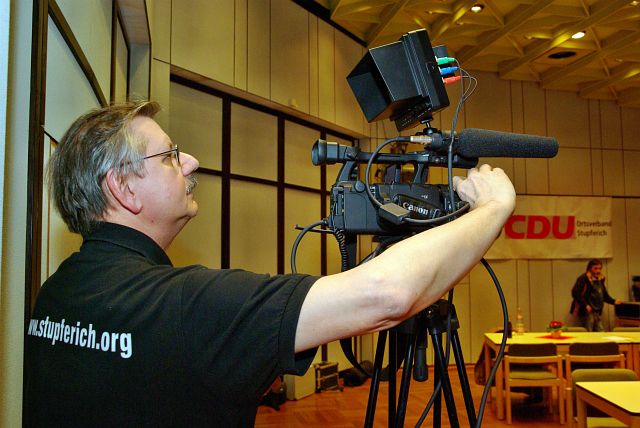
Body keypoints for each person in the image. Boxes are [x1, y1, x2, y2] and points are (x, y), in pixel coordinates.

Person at [24, 101, 516, 426]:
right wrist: (493, 208)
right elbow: (388, 295)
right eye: (170, 156)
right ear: (123, 188)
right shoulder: (182, 307)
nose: (191, 162)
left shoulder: (54, 294)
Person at [570, 259, 622, 331]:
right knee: (589, 331)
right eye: (595, 268)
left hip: (596, 311)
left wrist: (613, 301)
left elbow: (603, 294)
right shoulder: (583, 278)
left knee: (600, 331)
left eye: (600, 268)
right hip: (587, 311)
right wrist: (585, 305)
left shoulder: (600, 279)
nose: (598, 271)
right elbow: (575, 293)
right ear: (589, 268)